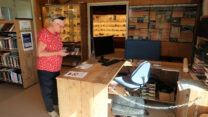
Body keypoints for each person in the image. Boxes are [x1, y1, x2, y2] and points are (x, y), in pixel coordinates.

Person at [36, 14, 69, 117]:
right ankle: (50, 110)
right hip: (45, 68)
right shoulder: (44, 34)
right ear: (53, 23)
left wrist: (61, 51)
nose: (62, 28)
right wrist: (58, 53)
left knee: (55, 88)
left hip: (56, 67)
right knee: (47, 90)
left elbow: (56, 48)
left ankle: (56, 103)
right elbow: (39, 53)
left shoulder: (56, 33)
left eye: (63, 26)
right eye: (61, 26)